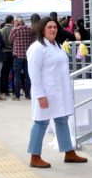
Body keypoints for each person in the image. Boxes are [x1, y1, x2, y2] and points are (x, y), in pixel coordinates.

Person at [26, 18, 87, 168]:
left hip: (60, 91)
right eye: (49, 27)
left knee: (62, 120)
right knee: (41, 122)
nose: (53, 30)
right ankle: (35, 156)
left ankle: (69, 152)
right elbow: (34, 73)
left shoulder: (57, 45)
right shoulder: (37, 48)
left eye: (54, 27)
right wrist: (40, 95)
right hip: (46, 92)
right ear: (42, 29)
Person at [10, 16, 33, 100]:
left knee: (17, 75)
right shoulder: (29, 29)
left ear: (18, 22)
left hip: (17, 55)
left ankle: (17, 96)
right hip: (27, 55)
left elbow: (10, 40)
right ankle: (27, 95)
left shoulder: (15, 30)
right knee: (28, 76)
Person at [0, 15, 14, 100]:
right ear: (12, 21)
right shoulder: (14, 29)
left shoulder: (1, 31)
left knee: (4, 73)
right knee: (15, 72)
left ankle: (4, 91)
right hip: (13, 52)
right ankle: (15, 90)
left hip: (4, 53)